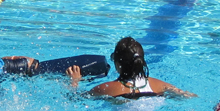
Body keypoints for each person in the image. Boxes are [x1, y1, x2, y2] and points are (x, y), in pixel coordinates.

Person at [66, 37, 197, 99]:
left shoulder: (106, 88)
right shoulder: (159, 86)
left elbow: (74, 99)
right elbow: (188, 96)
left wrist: (74, 81)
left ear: (117, 64)